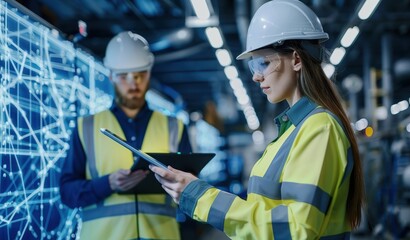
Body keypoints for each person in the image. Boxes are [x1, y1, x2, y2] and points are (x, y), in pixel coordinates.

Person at [149, 0, 365, 239]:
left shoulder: (319, 128)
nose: (256, 77)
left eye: (264, 63)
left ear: (295, 60)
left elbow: (295, 228)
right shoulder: (292, 131)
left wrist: (201, 197)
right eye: (254, 66)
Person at [60, 31, 192, 239]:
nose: (133, 84)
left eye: (140, 75)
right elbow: (67, 194)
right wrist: (107, 184)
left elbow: (191, 189)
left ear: (149, 72)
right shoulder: (86, 127)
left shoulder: (174, 126)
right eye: (124, 76)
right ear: (111, 75)